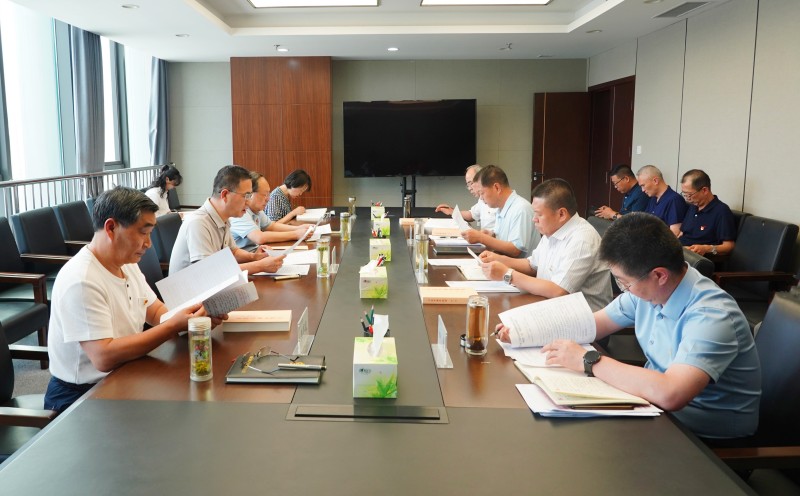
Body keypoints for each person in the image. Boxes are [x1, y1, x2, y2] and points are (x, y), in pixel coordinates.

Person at [496, 213, 761, 439]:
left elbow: (672, 393)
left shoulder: (712, 315)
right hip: (654, 410)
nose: (624, 289)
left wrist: (589, 360)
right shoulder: (648, 291)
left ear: (659, 275)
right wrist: (524, 331)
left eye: (625, 282)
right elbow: (593, 324)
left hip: (702, 437)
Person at [44, 187, 225, 414]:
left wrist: (193, 319)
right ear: (111, 228)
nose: (149, 243)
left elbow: (155, 311)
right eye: (143, 233)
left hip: (125, 373)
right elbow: (103, 357)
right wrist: (173, 326)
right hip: (81, 396)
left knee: (195, 403)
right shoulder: (82, 279)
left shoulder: (126, 264)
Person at [480, 178, 611, 312]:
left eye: (539, 214)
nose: (534, 219)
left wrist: (508, 274)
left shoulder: (582, 239)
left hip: (583, 317)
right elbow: (533, 265)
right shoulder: (552, 230)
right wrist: (499, 259)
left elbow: (559, 291)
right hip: (549, 305)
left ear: (561, 214)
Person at [169, 165, 284, 275]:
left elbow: (232, 252)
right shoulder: (198, 223)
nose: (248, 202)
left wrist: (254, 257)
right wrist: (260, 266)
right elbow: (209, 272)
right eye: (246, 196)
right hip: (193, 287)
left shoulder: (223, 218)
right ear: (225, 195)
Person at [460, 165, 538, 258]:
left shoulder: (521, 209)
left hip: (517, 265)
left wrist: (481, 238)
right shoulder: (501, 208)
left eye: (482, 193)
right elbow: (503, 239)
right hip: (503, 261)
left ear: (497, 188)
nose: (481, 198)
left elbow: (515, 250)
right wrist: (491, 235)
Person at [230, 171, 314, 252]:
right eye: (264, 195)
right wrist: (296, 234)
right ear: (250, 193)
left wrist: (299, 228)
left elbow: (271, 226)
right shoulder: (240, 211)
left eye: (268, 194)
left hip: (255, 252)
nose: (268, 199)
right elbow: (259, 237)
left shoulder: (257, 209)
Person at [678, 169, 736, 256]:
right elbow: (682, 233)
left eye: (689, 195)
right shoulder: (693, 206)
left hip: (696, 257)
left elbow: (729, 246)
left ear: (704, 190)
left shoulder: (721, 211)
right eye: (684, 194)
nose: (687, 199)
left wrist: (707, 248)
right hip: (680, 250)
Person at [434, 164, 497, 230]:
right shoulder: (481, 200)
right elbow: (471, 215)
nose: (469, 188)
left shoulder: (497, 202)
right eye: (468, 185)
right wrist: (452, 212)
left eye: (471, 183)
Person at [637, 164, 687, 236]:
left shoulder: (674, 200)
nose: (642, 190)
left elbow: (674, 233)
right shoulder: (653, 198)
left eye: (643, 185)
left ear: (655, 181)